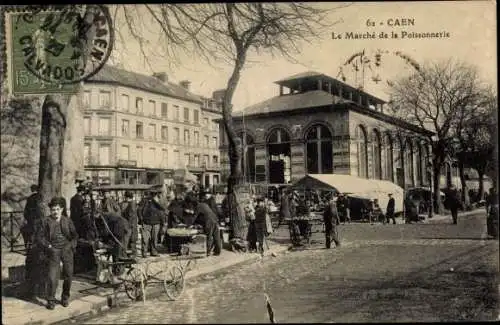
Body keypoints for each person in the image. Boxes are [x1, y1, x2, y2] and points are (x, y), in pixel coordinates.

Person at [34, 197, 78, 310]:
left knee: (69, 275)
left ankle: (65, 297)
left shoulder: (67, 221)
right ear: (50, 210)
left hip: (66, 250)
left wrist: (71, 246)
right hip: (53, 251)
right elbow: (39, 237)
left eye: (58, 209)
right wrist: (48, 246)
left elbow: (75, 236)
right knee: (52, 277)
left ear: (62, 209)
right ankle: (51, 300)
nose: (55, 212)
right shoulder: (45, 221)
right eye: (53, 209)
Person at [139, 189, 167, 257]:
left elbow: (162, 211)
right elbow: (139, 210)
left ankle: (153, 251)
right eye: (152, 194)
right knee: (145, 239)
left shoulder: (159, 201)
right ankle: (144, 252)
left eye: (154, 194)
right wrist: (141, 219)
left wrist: (163, 223)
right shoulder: (145, 201)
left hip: (156, 222)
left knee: (154, 239)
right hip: (146, 223)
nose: (153, 195)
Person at [22, 185, 42, 249]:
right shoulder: (40, 197)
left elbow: (26, 211)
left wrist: (27, 218)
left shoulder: (29, 198)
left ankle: (29, 246)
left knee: (31, 232)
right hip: (38, 218)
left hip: (30, 219)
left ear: (32, 190)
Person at [121, 191, 138, 257]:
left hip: (130, 227)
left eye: (125, 197)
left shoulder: (131, 205)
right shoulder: (132, 204)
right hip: (132, 226)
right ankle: (132, 256)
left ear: (127, 197)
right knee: (132, 242)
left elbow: (130, 217)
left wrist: (127, 226)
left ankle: (128, 256)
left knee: (126, 242)